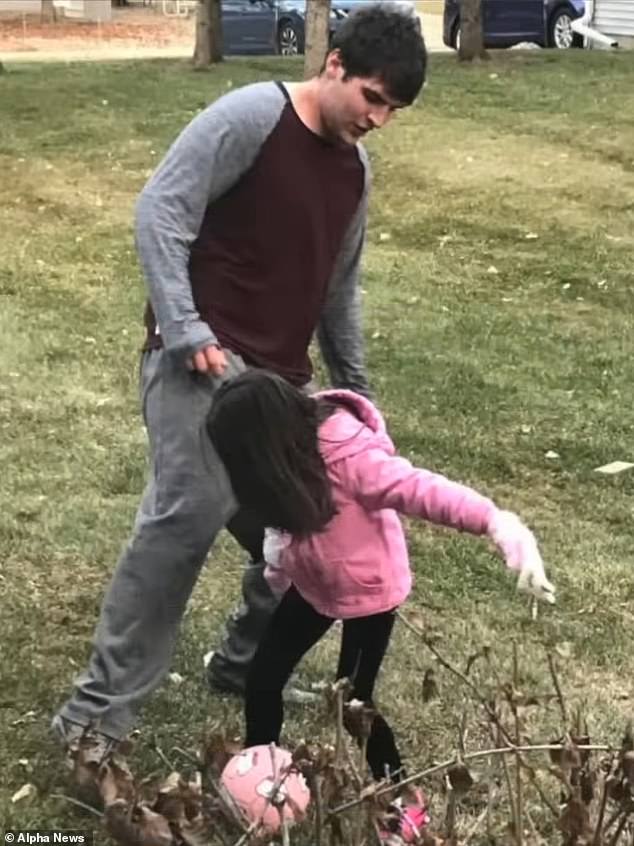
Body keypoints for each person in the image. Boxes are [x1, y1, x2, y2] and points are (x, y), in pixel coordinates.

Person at [52, 5, 428, 760]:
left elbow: (337, 289)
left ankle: (244, 664)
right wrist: (188, 329)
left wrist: (355, 391)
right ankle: (93, 722)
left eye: (393, 109)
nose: (379, 119)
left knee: (318, 528)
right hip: (203, 368)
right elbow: (161, 211)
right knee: (181, 527)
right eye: (374, 97)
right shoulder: (252, 116)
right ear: (334, 66)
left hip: (280, 389)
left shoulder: (354, 170)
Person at [205, 371, 556, 801]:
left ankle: (403, 804)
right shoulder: (281, 473)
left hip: (370, 590)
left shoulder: (352, 459)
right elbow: (283, 529)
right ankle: (260, 785)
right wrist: (277, 571)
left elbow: (421, 490)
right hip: (316, 586)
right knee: (262, 679)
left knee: (353, 704)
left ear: (262, 446)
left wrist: (498, 523)